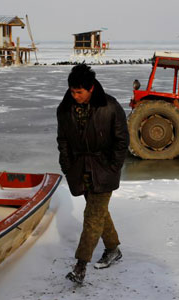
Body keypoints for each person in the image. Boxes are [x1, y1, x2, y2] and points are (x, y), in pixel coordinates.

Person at [56, 64, 129, 284]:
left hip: (103, 168)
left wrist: (113, 166)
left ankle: (80, 266)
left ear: (90, 89)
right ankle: (113, 249)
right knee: (99, 213)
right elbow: (63, 141)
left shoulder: (109, 105)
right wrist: (67, 166)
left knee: (92, 216)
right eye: (72, 91)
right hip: (80, 169)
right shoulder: (65, 108)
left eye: (79, 92)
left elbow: (122, 140)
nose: (74, 95)